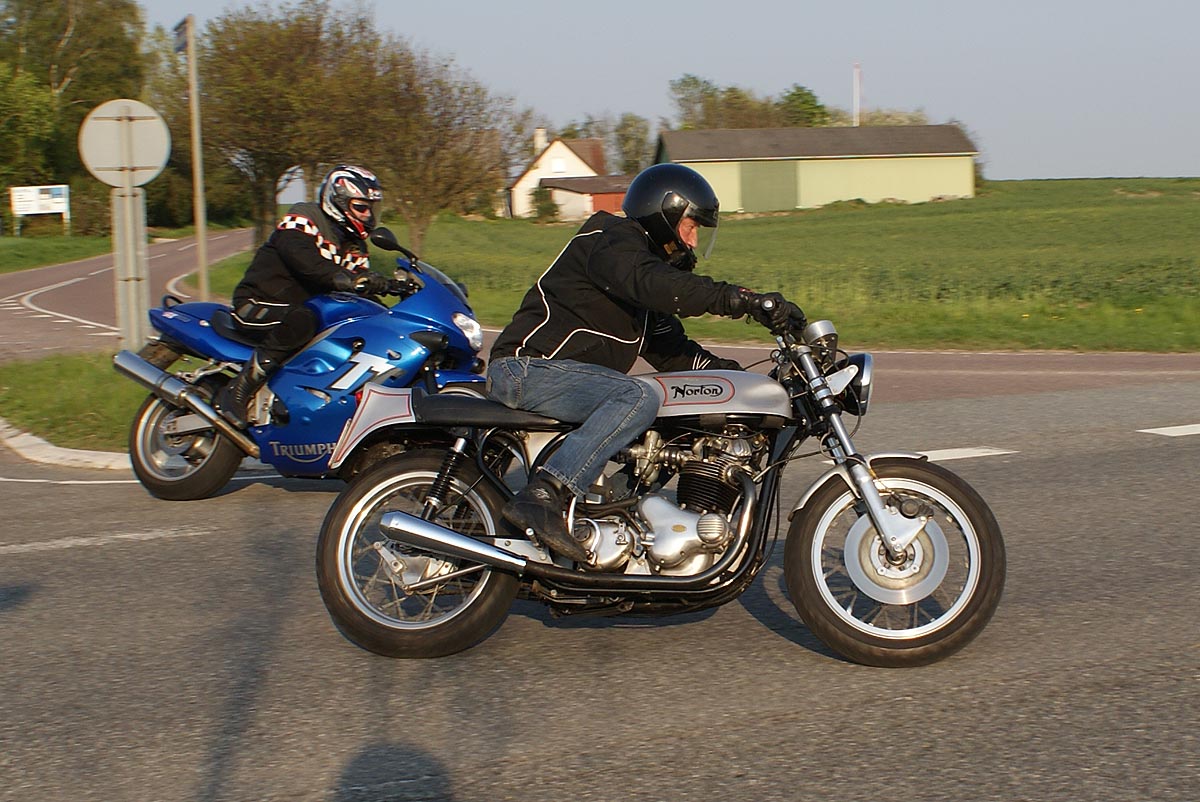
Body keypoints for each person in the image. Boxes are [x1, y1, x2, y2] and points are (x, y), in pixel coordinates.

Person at [487, 163, 805, 563]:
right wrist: (740, 299)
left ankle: (613, 517)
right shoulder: (610, 240)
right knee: (637, 397)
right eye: (690, 226)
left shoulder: (637, 285)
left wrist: (747, 384)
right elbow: (654, 283)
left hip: (559, 379)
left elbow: (677, 354)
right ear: (664, 214)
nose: (693, 241)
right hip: (526, 370)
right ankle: (544, 494)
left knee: (676, 409)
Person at [214, 164, 390, 428]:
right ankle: (237, 391)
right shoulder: (303, 218)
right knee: (303, 320)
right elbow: (302, 258)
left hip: (302, 310)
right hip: (258, 304)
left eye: (371, 209)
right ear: (337, 201)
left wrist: (388, 302)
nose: (368, 216)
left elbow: (360, 290)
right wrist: (344, 278)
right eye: (361, 208)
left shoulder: (355, 245)